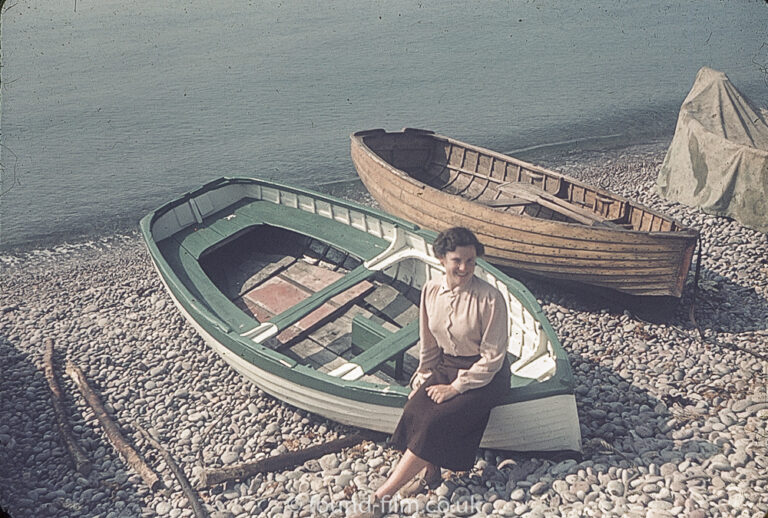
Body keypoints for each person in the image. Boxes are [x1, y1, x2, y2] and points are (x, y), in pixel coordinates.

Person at [350, 227, 511, 517]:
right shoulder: (431, 290)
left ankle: (382, 495)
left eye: (471, 261)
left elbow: (492, 358)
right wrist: (423, 376)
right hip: (447, 365)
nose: (464, 268)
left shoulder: (490, 299)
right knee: (415, 408)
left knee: (436, 420)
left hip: (486, 376)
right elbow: (429, 344)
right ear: (441, 259)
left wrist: (456, 388)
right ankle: (431, 474)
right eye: (457, 261)